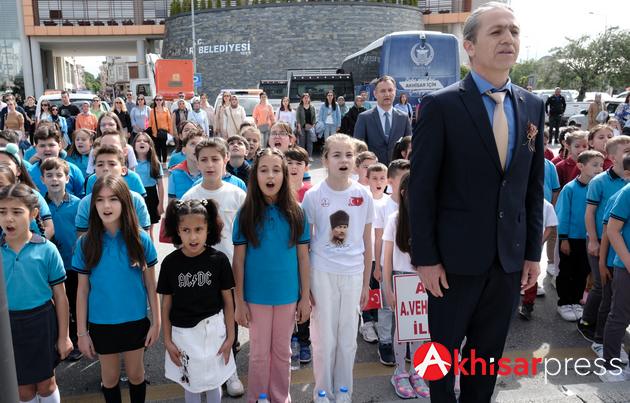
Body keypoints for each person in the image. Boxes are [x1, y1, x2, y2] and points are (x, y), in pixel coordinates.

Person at [409, 3, 544, 401]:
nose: (508, 38)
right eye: (496, 31)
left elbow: (531, 187)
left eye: (513, 31)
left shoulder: (532, 106)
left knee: (485, 361)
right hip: (451, 264)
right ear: (469, 46)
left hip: (507, 262)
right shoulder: (441, 105)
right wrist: (426, 258)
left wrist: (531, 253)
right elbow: (422, 190)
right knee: (441, 357)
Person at [233, 147, 310, 403]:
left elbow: (303, 257)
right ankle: (258, 397)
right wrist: (239, 301)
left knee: (282, 352)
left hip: (288, 295)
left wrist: (305, 297)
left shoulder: (297, 212)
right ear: (255, 175)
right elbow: (238, 261)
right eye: (264, 170)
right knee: (258, 353)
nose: (270, 175)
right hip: (256, 297)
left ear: (285, 175)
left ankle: (280, 397)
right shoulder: (245, 214)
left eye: (276, 170)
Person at [73, 175, 160, 403]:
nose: (106, 206)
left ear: (124, 202)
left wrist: (157, 322)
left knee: (136, 374)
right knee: (110, 379)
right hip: (101, 324)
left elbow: (151, 285)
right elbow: (82, 291)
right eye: (100, 200)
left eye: (113, 199)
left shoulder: (140, 239)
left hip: (135, 321)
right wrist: (82, 333)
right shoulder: (86, 243)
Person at [302, 134, 374, 401]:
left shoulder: (363, 194)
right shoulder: (313, 196)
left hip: (353, 274)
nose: (343, 160)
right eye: (337, 155)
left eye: (348, 155)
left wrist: (366, 283)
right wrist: (306, 287)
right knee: (324, 339)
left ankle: (344, 391)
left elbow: (367, 242)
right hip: (322, 273)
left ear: (355, 160)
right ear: (325, 160)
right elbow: (304, 245)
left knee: (347, 339)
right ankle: (322, 391)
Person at [181, 138, 246, 397]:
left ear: (225, 160)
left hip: (230, 270)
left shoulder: (237, 194)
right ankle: (207, 372)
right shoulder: (190, 197)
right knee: (206, 324)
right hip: (200, 273)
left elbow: (247, 234)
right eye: (204, 159)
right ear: (196, 162)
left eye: (215, 159)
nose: (210, 164)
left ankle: (230, 372)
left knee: (229, 321)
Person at [159, 199, 236, 403]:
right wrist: (167, 340)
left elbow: (228, 302)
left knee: (214, 382)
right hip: (183, 335)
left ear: (208, 229)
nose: (193, 237)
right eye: (186, 230)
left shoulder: (219, 260)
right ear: (177, 230)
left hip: (215, 332)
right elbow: (166, 304)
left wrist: (231, 337)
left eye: (198, 229)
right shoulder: (170, 263)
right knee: (190, 384)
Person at [2, 183, 72, 403]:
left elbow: (60, 297)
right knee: (22, 390)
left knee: (46, 384)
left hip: (42, 323)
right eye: (2, 212)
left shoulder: (47, 249)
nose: (8, 218)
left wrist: (64, 337)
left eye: (17, 212)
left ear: (33, 213)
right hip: (8, 326)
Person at [382, 172, 430, 399]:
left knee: (420, 331)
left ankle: (417, 373)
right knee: (402, 332)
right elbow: (387, 257)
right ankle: (400, 373)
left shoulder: (429, 218)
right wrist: (388, 290)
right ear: (404, 193)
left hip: (423, 282)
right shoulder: (395, 219)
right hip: (402, 280)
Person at [578, 136, 630, 341]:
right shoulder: (599, 181)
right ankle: (587, 322)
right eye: (627, 150)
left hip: (621, 244)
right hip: (601, 240)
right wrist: (593, 240)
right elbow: (590, 212)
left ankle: (608, 328)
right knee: (601, 285)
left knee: (614, 290)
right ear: (613, 157)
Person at [40, 157, 83, 361]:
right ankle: (61, 338)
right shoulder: (40, 206)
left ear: (67, 178)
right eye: (49, 175)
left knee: (75, 301)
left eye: (59, 175)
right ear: (42, 179)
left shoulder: (78, 205)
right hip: (51, 267)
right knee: (57, 303)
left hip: (73, 264)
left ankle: (76, 338)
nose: (54, 179)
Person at [556, 150, 604, 321]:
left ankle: (576, 301)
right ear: (581, 166)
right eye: (595, 165)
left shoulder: (598, 188)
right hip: (571, 238)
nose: (599, 169)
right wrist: (563, 239)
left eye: (601, 165)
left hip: (589, 239)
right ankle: (563, 302)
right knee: (567, 270)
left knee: (583, 271)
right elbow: (562, 214)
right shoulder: (569, 188)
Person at [373, 160, 410, 366]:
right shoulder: (383, 206)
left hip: (409, 269)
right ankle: (385, 342)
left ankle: (407, 345)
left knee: (408, 310)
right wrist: (377, 267)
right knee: (386, 307)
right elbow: (378, 238)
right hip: (388, 266)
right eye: (403, 178)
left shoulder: (414, 205)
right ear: (391, 181)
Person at [599, 154, 630, 381]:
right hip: (625, 267)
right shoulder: (627, 192)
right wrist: (628, 261)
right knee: (619, 315)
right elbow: (612, 229)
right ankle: (610, 366)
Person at [75, 146, 151, 236]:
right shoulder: (86, 203)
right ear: (94, 170)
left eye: (111, 164)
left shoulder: (136, 200)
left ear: (123, 170)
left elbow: (144, 237)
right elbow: (82, 238)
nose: (105, 168)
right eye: (100, 165)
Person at [354, 76, 412, 166]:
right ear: (375, 94)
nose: (387, 94)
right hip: (373, 170)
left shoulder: (403, 118)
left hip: (397, 170)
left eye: (390, 90)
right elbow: (358, 149)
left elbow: (409, 146)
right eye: (383, 91)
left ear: (395, 92)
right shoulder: (364, 118)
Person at [0, 144, 55, 239]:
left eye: (5, 164)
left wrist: (34, 244)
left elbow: (49, 228)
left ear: (18, 170)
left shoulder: (31, 194)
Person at [519, 198, 558, 320]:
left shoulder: (547, 205)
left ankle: (527, 305)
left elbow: (550, 227)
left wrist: (537, 243)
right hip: (515, 247)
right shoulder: (518, 199)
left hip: (532, 250)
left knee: (531, 275)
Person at [28, 125, 85, 198]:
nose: (47, 149)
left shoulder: (73, 170)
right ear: (36, 148)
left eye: (51, 145)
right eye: (42, 146)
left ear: (59, 146)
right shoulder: (30, 173)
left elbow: (82, 197)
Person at [133, 133, 165, 241]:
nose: (142, 142)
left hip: (151, 196)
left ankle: (150, 249)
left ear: (150, 145)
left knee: (148, 230)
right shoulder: (130, 163)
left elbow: (160, 185)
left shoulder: (155, 163)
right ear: (134, 145)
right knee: (135, 228)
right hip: (135, 196)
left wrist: (161, 204)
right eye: (138, 141)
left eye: (145, 141)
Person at [167, 130, 205, 200]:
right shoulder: (174, 174)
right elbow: (171, 203)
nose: (197, 147)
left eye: (201, 144)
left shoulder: (211, 173)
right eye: (193, 144)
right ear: (184, 150)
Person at [149, 95, 172, 164]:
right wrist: (150, 131)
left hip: (164, 132)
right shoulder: (152, 111)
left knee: (164, 148)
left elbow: (169, 122)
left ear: (162, 101)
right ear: (155, 101)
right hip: (155, 133)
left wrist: (170, 133)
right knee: (157, 149)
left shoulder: (166, 110)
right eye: (157, 100)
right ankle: (159, 163)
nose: (158, 101)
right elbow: (150, 122)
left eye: (160, 100)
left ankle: (164, 163)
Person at [295, 93, 317, 157]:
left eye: (307, 98)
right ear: (302, 99)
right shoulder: (299, 107)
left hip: (310, 127)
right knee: (302, 143)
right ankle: (302, 156)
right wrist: (299, 127)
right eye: (305, 98)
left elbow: (314, 117)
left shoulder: (312, 107)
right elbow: (298, 118)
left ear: (309, 99)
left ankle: (309, 156)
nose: (306, 99)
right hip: (302, 127)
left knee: (310, 143)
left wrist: (313, 125)